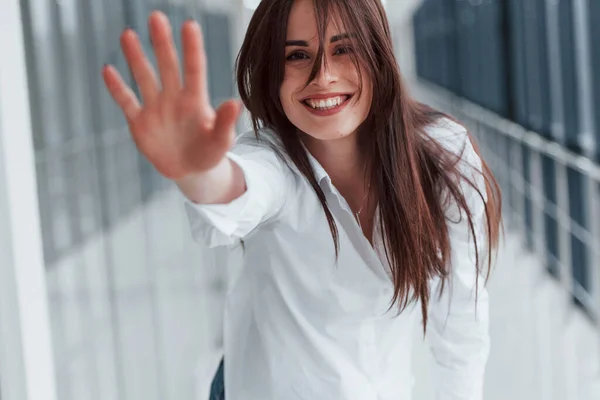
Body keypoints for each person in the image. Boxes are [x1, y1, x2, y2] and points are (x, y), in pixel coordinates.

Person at [102, 0, 502, 399]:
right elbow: (237, 187)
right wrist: (195, 170)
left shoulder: (441, 154)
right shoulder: (270, 159)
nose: (323, 76)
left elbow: (461, 324)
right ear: (271, 76)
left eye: (344, 48)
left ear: (379, 54)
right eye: (296, 55)